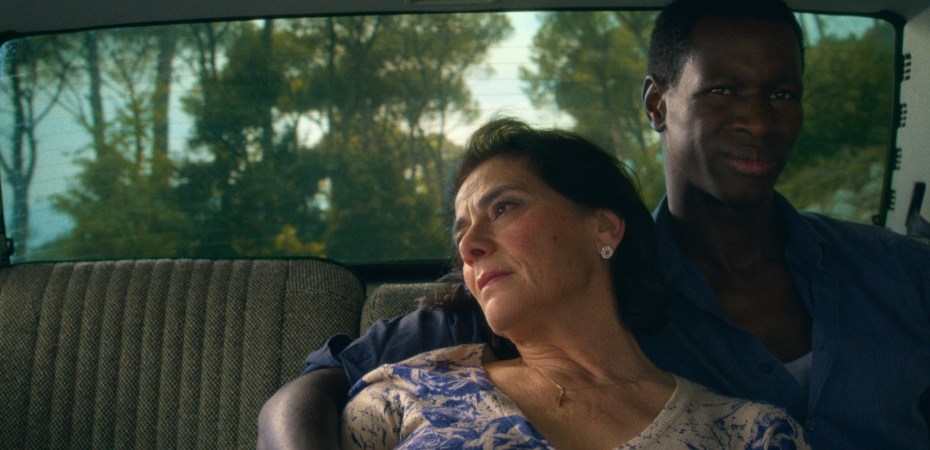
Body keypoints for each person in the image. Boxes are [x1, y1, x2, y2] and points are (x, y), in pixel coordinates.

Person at [257, 0, 930, 448]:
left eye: (782, 93)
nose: (758, 120)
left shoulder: (899, 270)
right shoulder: (557, 287)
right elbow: (317, 385)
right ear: (657, 104)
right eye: (722, 91)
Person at [340, 117, 809, 449]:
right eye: (460, 234)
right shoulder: (407, 392)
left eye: (503, 208)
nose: (470, 246)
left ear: (603, 227)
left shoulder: (748, 434)